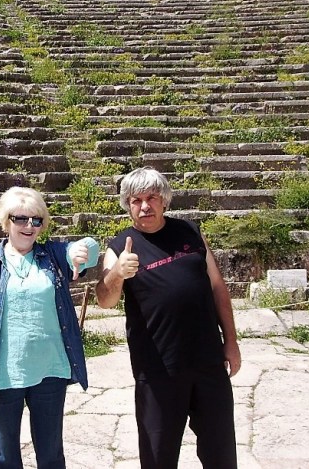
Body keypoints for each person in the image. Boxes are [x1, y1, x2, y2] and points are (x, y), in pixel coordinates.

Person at [0, 186, 99, 469]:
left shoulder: (55, 255)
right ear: (6, 221)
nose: (29, 226)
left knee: (51, 456)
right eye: (21, 219)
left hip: (51, 370)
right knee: (2, 458)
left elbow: (90, 251)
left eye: (36, 220)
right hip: (3, 373)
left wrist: (81, 250)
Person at [95, 167, 241, 469]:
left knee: (221, 455)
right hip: (157, 369)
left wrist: (231, 341)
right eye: (136, 200)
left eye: (151, 197)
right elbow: (104, 301)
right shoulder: (120, 246)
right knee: (158, 458)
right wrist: (118, 273)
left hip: (208, 361)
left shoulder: (190, 231)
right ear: (127, 205)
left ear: (164, 199)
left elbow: (217, 287)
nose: (144, 206)